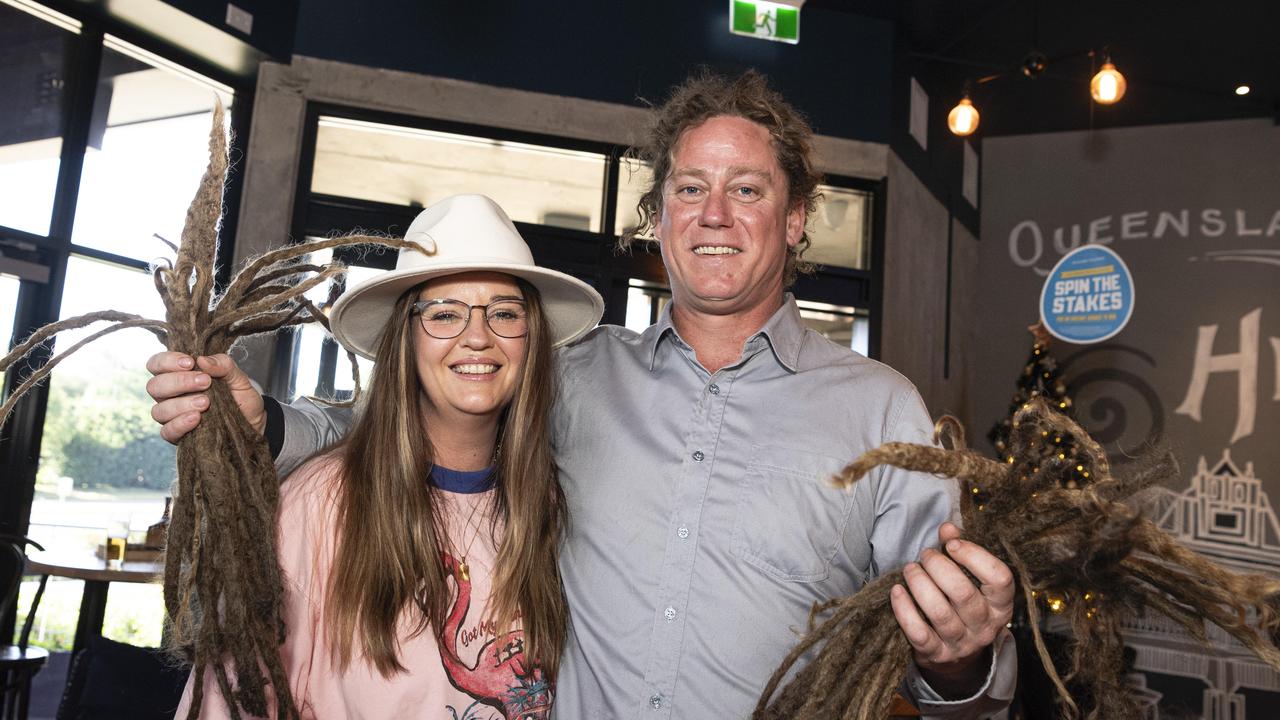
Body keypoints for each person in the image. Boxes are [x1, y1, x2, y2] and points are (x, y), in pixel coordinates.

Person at [152, 71, 1016, 718]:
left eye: (747, 189)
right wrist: (267, 429)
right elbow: (411, 420)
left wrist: (960, 659)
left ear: (795, 220)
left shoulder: (882, 412)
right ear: (660, 218)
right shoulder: (576, 371)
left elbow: (955, 662)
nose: (714, 213)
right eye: (689, 188)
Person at [172, 194, 605, 718]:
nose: (477, 337)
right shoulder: (321, 506)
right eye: (444, 314)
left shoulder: (551, 507)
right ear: (405, 341)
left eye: (505, 314)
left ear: (530, 339)